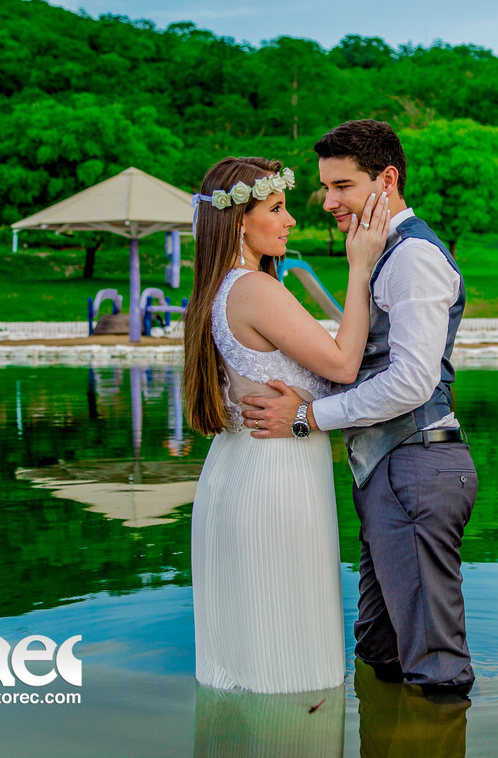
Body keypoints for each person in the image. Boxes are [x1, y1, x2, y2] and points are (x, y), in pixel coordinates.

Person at [242, 119, 480, 701]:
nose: (328, 202)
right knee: (380, 649)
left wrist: (308, 419)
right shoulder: (379, 253)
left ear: (387, 178)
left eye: (342, 186)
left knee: (436, 667)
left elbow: (411, 383)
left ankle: (440, 733)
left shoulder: (413, 257)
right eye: (326, 188)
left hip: (418, 467)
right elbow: (368, 365)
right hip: (389, 469)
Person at [184, 155, 390, 694]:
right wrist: (360, 267)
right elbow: (344, 365)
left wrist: (305, 392)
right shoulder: (255, 290)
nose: (291, 220)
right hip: (275, 476)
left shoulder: (214, 290)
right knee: (288, 663)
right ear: (239, 222)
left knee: (242, 666)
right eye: (277, 209)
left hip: (233, 469)